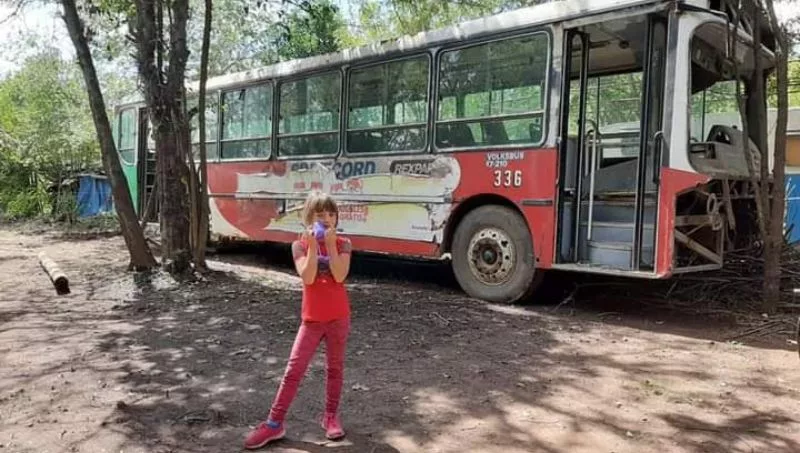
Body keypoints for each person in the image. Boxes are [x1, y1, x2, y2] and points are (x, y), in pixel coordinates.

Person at [244, 191, 353, 450]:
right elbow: (307, 276)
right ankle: (274, 423)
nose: (326, 219)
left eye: (331, 214)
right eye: (320, 214)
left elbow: (340, 275)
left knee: (335, 369)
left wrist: (331, 245)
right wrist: (314, 246)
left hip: (338, 318)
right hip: (312, 320)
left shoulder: (344, 244)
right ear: (308, 218)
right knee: (294, 370)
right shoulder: (299, 246)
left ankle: (330, 416)